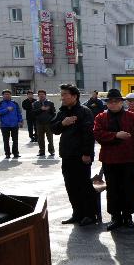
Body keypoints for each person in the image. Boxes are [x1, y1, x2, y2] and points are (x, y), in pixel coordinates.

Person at [93, 89, 134, 230]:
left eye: (116, 101)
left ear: (122, 102)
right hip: (110, 159)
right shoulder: (100, 117)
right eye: (110, 102)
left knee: (128, 189)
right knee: (113, 189)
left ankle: (128, 217)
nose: (113, 104)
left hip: (128, 159)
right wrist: (116, 135)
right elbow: (97, 135)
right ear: (107, 103)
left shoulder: (131, 117)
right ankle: (115, 217)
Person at [51, 83, 97, 226]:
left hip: (81, 156)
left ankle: (90, 215)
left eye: (65, 94)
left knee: (84, 185)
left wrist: (87, 153)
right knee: (70, 185)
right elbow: (54, 129)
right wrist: (63, 123)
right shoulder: (62, 112)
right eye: (62, 94)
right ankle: (77, 213)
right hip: (67, 155)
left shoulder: (84, 111)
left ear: (74, 96)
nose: (62, 97)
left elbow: (89, 134)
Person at [0, 90, 22, 159]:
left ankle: (15, 153)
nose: (7, 95)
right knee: (6, 140)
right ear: (3, 96)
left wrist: (20, 121)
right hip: (4, 125)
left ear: (10, 95)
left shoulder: (15, 103)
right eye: (5, 94)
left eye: (8, 94)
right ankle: (7, 154)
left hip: (14, 125)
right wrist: (6, 109)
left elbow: (18, 113)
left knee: (15, 140)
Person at [33, 89, 56, 157]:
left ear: (45, 95)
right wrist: (41, 109)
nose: (41, 96)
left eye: (42, 94)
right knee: (40, 138)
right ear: (38, 96)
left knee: (50, 138)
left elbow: (54, 113)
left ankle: (51, 151)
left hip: (48, 123)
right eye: (40, 95)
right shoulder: (35, 103)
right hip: (39, 123)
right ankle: (42, 151)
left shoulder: (50, 103)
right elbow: (33, 113)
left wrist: (51, 119)